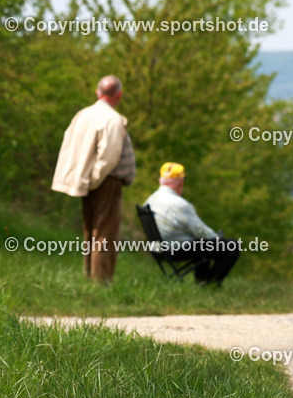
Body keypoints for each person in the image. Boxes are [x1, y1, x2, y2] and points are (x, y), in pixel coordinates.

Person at [51, 75, 136, 284]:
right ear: (119, 95)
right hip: (105, 181)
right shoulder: (112, 119)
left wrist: (84, 180)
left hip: (85, 179)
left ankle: (89, 276)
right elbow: (108, 157)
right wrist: (95, 180)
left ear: (98, 92)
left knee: (90, 230)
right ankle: (100, 282)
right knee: (105, 233)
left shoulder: (83, 115)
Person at [143, 162, 240, 286]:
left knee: (201, 243)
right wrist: (217, 238)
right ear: (180, 182)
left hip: (157, 249)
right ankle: (211, 284)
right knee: (232, 246)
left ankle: (203, 280)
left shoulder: (150, 200)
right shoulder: (180, 205)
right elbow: (200, 231)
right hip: (174, 250)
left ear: (160, 181)